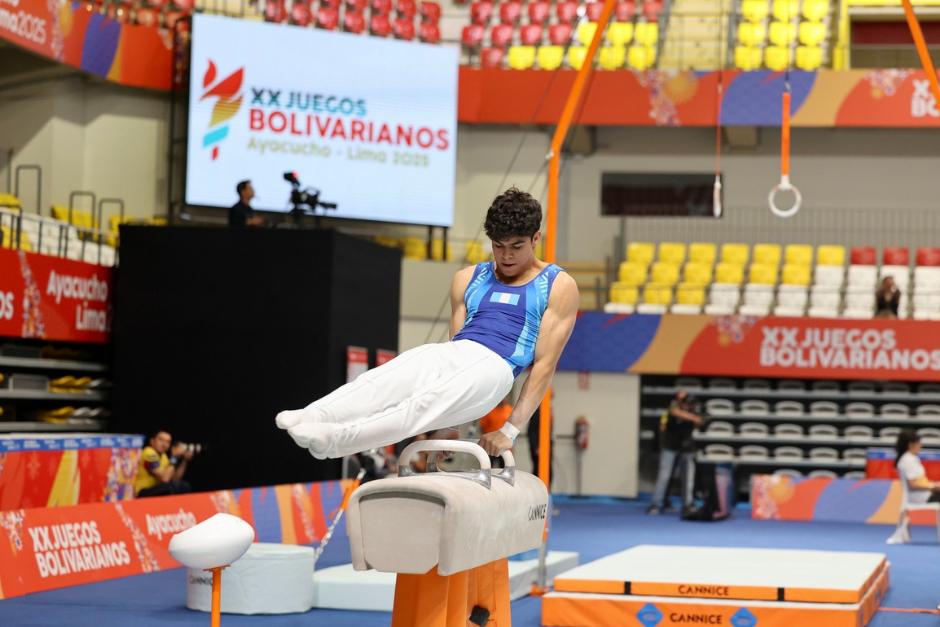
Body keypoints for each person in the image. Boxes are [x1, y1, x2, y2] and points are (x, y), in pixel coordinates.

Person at [276, 187, 580, 460]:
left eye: (516, 246)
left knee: (422, 403)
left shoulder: (557, 285)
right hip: (458, 352)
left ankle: (335, 441)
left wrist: (510, 431)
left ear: (536, 238)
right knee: (386, 377)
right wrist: (449, 426)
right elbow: (455, 349)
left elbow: (544, 365)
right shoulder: (467, 278)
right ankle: (313, 414)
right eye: (499, 246)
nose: (506, 255)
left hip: (497, 369)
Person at [647, 390, 704, 515]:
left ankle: (688, 504)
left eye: (690, 404)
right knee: (664, 476)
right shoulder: (673, 409)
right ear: (680, 403)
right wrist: (694, 418)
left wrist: (697, 418)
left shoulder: (695, 410)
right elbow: (675, 412)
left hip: (687, 447)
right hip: (670, 446)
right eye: (686, 403)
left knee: (688, 477)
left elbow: (702, 421)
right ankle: (656, 504)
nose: (689, 406)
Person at [888, 429, 940, 544]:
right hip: (921, 497)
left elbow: (920, 480)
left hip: (925, 494)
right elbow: (914, 483)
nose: (921, 445)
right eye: (919, 443)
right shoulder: (907, 460)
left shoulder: (911, 458)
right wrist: (933, 486)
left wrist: (934, 484)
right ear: (911, 444)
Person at [134, 430, 194, 497]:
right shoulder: (149, 453)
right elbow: (164, 479)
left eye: (168, 442)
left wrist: (184, 461)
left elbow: (175, 479)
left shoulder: (164, 456)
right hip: (144, 492)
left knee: (184, 486)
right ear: (152, 441)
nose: (164, 444)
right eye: (161, 440)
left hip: (158, 490)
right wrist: (174, 457)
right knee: (169, 488)